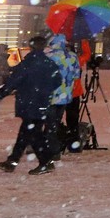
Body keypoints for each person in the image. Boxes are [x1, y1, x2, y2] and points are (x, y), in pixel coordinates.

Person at [0, 35, 61, 175]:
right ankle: (12, 161)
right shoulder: (50, 64)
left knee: (33, 134)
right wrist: (45, 91)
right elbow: (58, 82)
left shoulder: (28, 64)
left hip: (29, 104)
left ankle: (45, 162)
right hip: (43, 103)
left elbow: (14, 81)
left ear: (31, 47)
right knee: (26, 133)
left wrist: (2, 93)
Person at [44, 33, 80, 162]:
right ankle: (54, 148)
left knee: (50, 125)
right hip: (66, 96)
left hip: (51, 95)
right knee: (55, 123)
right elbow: (76, 76)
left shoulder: (50, 57)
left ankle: (52, 151)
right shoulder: (73, 57)